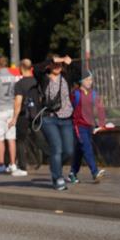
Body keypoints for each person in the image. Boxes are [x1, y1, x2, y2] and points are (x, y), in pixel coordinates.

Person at [36, 54, 76, 191]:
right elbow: (36, 68)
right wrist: (54, 60)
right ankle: (57, 178)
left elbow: (80, 72)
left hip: (66, 118)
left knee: (69, 151)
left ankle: (55, 165)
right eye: (55, 64)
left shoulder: (66, 77)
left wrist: (69, 63)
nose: (58, 66)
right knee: (57, 148)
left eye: (60, 64)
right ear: (49, 65)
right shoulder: (43, 77)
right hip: (49, 118)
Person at [70, 70, 111, 183]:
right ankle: (95, 172)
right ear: (81, 81)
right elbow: (69, 108)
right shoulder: (75, 94)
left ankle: (72, 173)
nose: (90, 82)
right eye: (87, 79)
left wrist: (102, 123)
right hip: (79, 126)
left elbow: (100, 108)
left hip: (89, 126)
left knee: (80, 150)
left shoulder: (93, 94)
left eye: (91, 79)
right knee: (87, 147)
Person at [10, 58, 40, 173]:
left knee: (21, 140)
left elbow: (17, 102)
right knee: (41, 139)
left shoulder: (19, 84)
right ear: (31, 68)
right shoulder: (37, 81)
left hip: (23, 115)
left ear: (21, 69)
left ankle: (22, 167)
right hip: (37, 114)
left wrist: (14, 118)